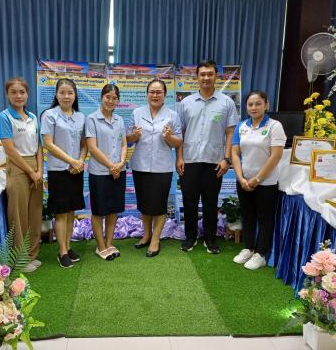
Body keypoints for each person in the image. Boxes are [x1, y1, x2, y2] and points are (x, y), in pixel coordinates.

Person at [176, 60, 239, 254]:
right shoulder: (185, 103)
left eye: (209, 74)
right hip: (190, 160)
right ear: (197, 77)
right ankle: (191, 237)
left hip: (215, 161)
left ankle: (210, 239)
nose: (206, 78)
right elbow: (180, 134)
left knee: (211, 202)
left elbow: (231, 133)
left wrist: (227, 159)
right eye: (202, 74)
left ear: (216, 77)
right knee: (189, 201)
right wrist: (179, 158)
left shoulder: (226, 102)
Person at [127, 79, 182, 257]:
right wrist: (133, 136)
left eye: (159, 92)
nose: (155, 95)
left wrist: (169, 137)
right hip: (140, 165)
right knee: (144, 203)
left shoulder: (172, 115)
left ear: (165, 95)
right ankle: (146, 234)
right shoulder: (137, 113)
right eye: (152, 91)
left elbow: (178, 142)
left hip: (162, 166)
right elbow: (127, 140)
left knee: (158, 205)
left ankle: (156, 239)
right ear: (147, 93)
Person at [231, 91, 286, 270]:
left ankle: (260, 254)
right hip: (244, 181)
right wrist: (240, 178)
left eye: (258, 104)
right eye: (250, 104)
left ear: (266, 105)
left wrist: (257, 179)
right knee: (247, 216)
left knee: (264, 219)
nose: (254, 107)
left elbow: (276, 156)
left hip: (266, 183)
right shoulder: (241, 126)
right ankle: (248, 248)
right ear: (246, 107)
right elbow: (235, 153)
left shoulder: (274, 126)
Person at [0, 77, 43, 273]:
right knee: (18, 214)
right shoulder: (4, 117)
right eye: (14, 92)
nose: (18, 96)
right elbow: (10, 150)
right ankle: (20, 259)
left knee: (34, 213)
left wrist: (40, 170)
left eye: (22, 92)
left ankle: (32, 254)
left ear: (27, 94)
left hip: (35, 166)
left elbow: (39, 146)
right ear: (7, 94)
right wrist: (31, 171)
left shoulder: (32, 117)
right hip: (18, 167)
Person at [41, 78, 87, 269]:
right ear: (56, 95)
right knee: (61, 213)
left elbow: (84, 145)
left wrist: (80, 162)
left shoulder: (81, 117)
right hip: (59, 171)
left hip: (76, 170)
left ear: (75, 95)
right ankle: (62, 252)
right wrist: (72, 161)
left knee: (71, 212)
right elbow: (48, 144)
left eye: (70, 93)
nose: (66, 96)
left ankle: (68, 247)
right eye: (62, 92)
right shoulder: (50, 115)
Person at [86, 84, 127, 260]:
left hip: (119, 171)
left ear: (118, 100)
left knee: (113, 210)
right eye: (107, 97)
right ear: (101, 97)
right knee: (99, 210)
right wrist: (112, 166)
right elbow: (92, 148)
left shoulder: (120, 120)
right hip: (100, 172)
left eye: (114, 98)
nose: (111, 101)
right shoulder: (92, 119)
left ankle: (109, 243)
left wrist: (121, 163)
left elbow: (124, 144)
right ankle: (100, 246)